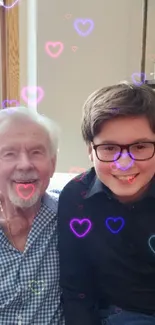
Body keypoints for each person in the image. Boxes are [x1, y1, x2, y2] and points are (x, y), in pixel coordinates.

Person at [58, 82, 155, 325]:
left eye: (140, 146)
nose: (124, 163)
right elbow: (76, 288)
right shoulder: (75, 198)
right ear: (90, 151)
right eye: (109, 148)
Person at [0, 106, 64, 325]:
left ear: (53, 164)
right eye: (9, 154)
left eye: (37, 152)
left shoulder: (72, 216)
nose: (25, 164)